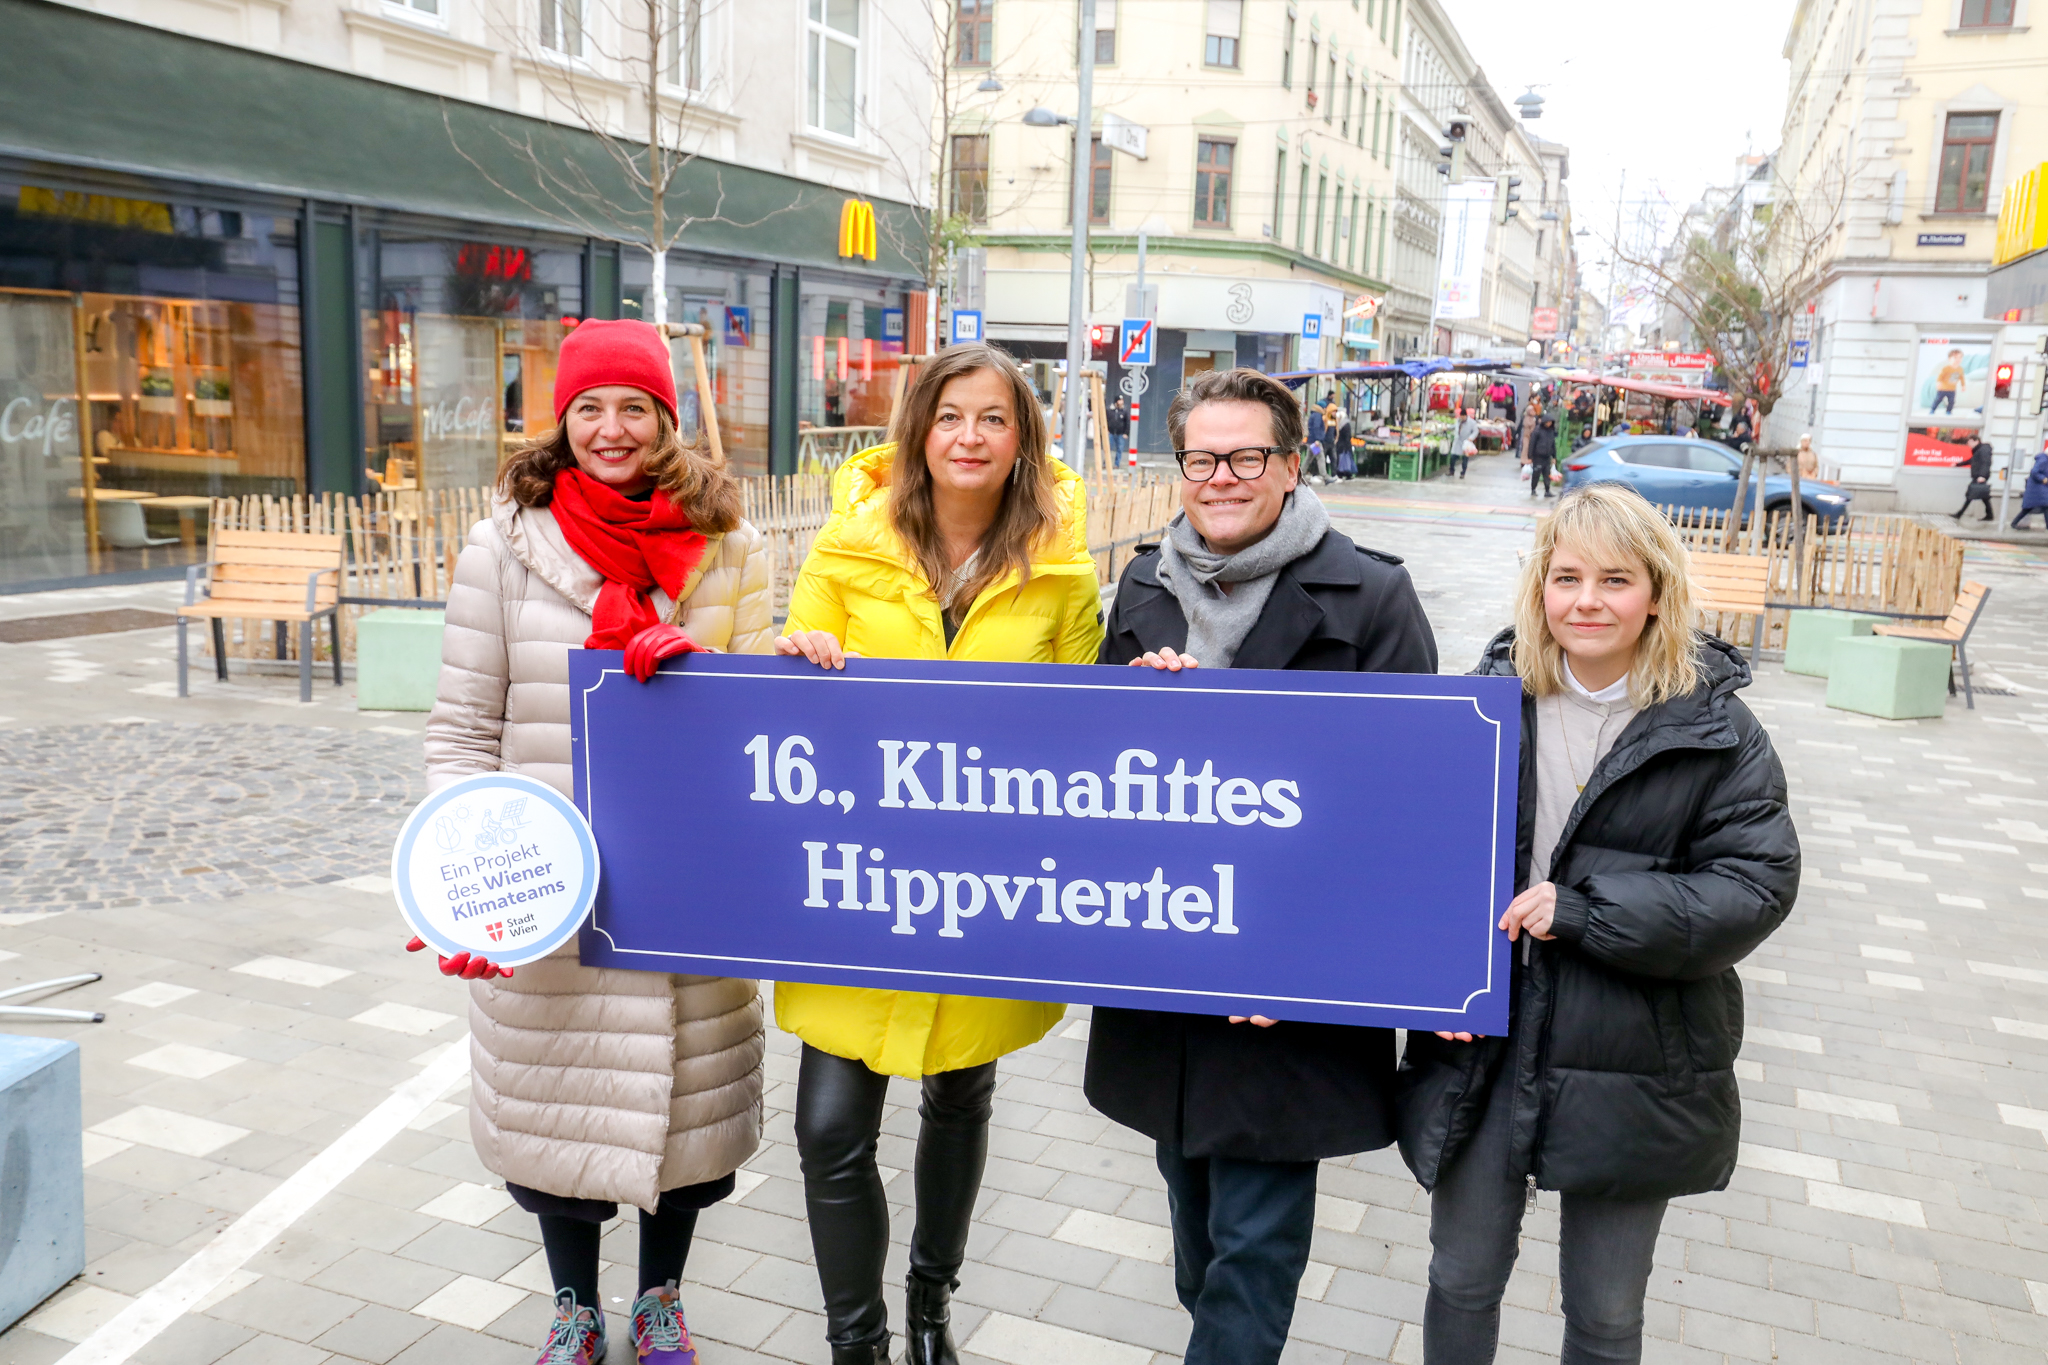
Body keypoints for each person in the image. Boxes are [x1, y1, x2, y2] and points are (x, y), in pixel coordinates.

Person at [422, 318, 772, 1365]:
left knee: (687, 1126)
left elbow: (760, 724)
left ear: (666, 418)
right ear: (562, 421)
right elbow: (461, 729)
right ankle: (574, 1308)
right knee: (553, 1112)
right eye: (588, 409)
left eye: (633, 408)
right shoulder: (505, 543)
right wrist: (462, 882)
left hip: (682, 884)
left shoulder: (729, 545)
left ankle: (660, 1298)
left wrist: (737, 681)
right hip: (544, 882)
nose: (610, 429)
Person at [1397, 482, 1799, 1365]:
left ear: (1657, 591)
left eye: (1615, 579)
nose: (1587, 600)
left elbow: (1754, 886)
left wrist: (1585, 911)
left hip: (1636, 1049)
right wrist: (1417, 974)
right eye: (1566, 576)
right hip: (1486, 1042)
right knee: (1460, 1279)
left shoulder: (1716, 729)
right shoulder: (1485, 702)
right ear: (1539, 586)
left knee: (1607, 1311)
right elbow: (1413, 852)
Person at [1088, 367, 1437, 1365]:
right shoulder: (1144, 586)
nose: (1222, 477)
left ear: (1288, 466)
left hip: (1288, 988)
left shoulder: (1371, 594)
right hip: (1172, 972)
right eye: (1202, 458)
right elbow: (1098, 788)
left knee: (1251, 1250)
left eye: (1246, 457)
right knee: (1196, 1242)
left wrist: (1306, 958)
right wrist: (1132, 705)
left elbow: (1402, 802)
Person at [773, 341, 1106, 1365]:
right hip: (855, 885)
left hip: (986, 885)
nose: (969, 436)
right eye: (950, 415)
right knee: (830, 1128)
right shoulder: (844, 548)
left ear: (1022, 439)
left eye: (993, 419)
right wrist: (797, 662)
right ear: (918, 428)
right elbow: (787, 711)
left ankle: (928, 1304)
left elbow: (1083, 733)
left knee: (959, 1093)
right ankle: (855, 1342)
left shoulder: (1061, 570)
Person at [1955, 437, 1995, 523]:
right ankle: (1990, 515)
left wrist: (1982, 476)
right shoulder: (1978, 450)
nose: (1968, 444)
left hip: (1980, 476)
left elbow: (1986, 462)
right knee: (1984, 497)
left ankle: (1959, 514)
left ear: (1976, 441)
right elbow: (1972, 460)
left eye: (1970, 442)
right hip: (1978, 476)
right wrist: (1958, 464)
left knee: (1970, 494)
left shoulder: (1983, 449)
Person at [1525, 404, 1556, 500]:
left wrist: (1554, 456)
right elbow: (1532, 444)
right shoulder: (1537, 431)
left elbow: (1553, 445)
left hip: (1547, 457)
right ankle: (1533, 489)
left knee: (1547, 475)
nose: (1549, 424)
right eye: (1548, 422)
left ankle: (1547, 490)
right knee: (1536, 474)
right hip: (1538, 456)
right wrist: (1530, 457)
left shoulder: (1551, 432)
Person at [2015, 447, 2048, 530]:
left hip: (2038, 488)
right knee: (2046, 506)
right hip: (2038, 488)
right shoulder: (2043, 460)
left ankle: (2014, 523)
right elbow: (2034, 472)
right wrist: (2043, 478)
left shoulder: (2043, 459)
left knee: (2028, 508)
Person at [1933, 347, 1965, 414]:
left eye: (1960, 357)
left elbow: (1962, 378)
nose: (1958, 359)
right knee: (1938, 400)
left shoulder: (1960, 369)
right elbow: (1940, 376)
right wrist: (1938, 382)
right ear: (1950, 359)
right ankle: (1933, 409)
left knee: (1951, 401)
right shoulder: (1946, 368)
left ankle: (1948, 411)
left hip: (1952, 389)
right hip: (1943, 389)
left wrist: (1963, 385)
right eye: (1955, 358)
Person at [1453, 406, 1479, 479]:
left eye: (1463, 417)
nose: (1462, 418)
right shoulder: (1458, 421)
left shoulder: (1472, 422)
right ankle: (1451, 470)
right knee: (1453, 457)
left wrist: (1470, 438)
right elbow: (1455, 427)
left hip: (1466, 442)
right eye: (1461, 416)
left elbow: (1476, 431)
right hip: (1458, 441)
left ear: (1465, 416)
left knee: (1465, 458)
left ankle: (1463, 473)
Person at [1108, 393, 1131, 462]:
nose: (1121, 402)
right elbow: (1106, 420)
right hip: (1111, 432)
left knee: (1119, 449)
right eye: (1119, 400)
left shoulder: (1124, 411)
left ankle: (1117, 463)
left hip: (1120, 433)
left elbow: (1127, 422)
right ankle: (1106, 463)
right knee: (1108, 448)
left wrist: (1126, 433)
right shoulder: (1110, 410)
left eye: (1122, 400)